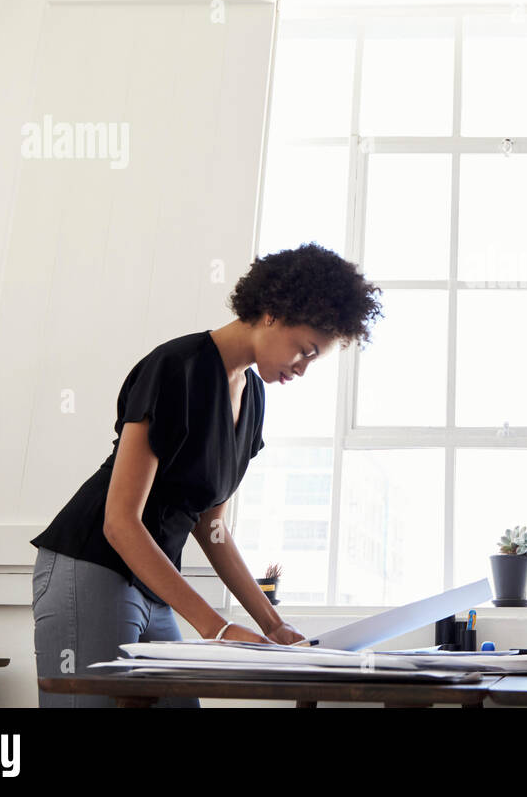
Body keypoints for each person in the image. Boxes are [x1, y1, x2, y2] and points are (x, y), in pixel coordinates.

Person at [30, 243, 382, 706]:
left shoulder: (253, 398)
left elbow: (211, 526)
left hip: (154, 582)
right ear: (273, 313)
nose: (303, 368)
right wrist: (214, 626)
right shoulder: (176, 367)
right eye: (305, 350)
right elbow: (119, 521)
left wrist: (271, 624)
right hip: (92, 563)